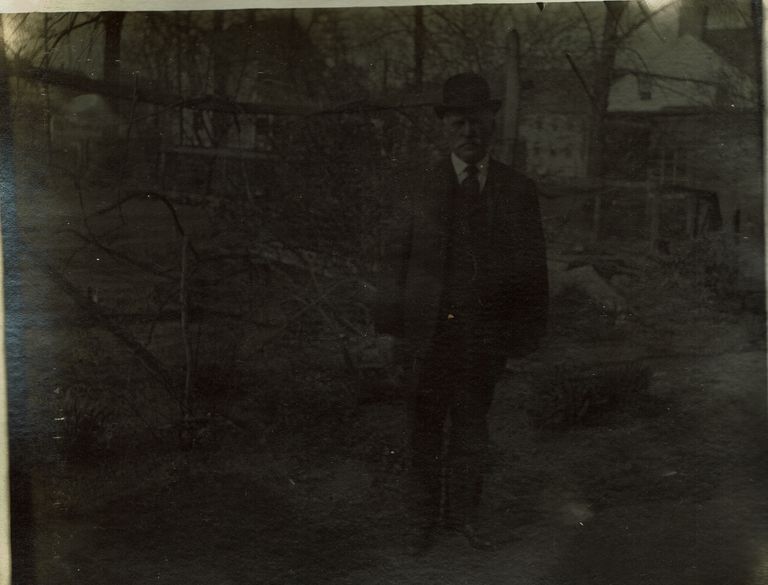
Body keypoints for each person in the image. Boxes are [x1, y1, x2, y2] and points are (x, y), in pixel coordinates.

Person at [374, 72, 549, 553]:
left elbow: (533, 269)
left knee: (472, 427)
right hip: (426, 334)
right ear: (444, 126)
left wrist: (526, 335)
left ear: (492, 124)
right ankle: (421, 521)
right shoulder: (418, 185)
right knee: (424, 429)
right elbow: (394, 260)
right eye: (458, 122)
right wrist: (388, 329)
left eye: (477, 122)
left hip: (484, 336)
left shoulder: (517, 189)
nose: (469, 132)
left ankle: (465, 517)